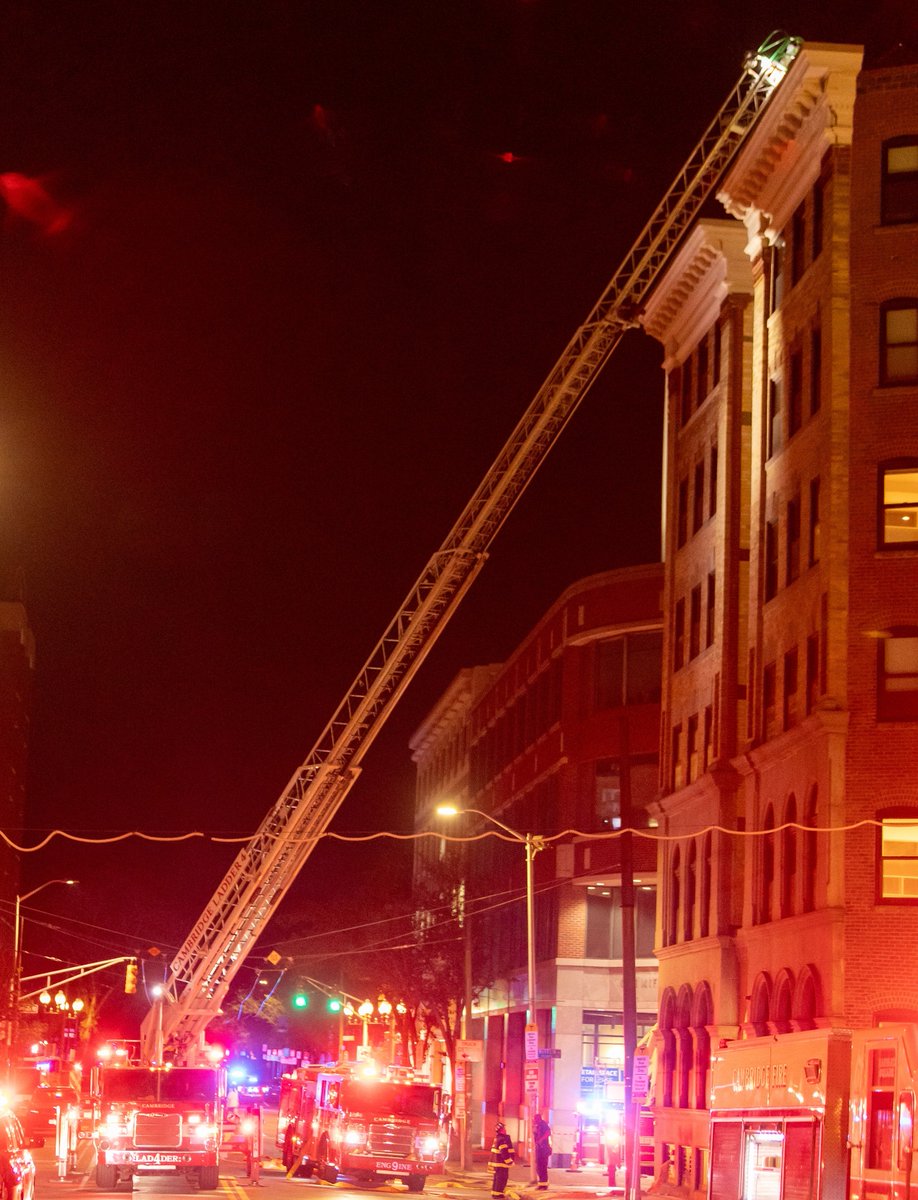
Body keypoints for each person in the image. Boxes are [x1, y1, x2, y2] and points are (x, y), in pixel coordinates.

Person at [489, 1120, 515, 1198]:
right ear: (501, 1130)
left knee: (497, 1178)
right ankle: (498, 1194)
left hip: (497, 1164)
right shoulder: (502, 1139)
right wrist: (509, 1161)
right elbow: (504, 1152)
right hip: (501, 1164)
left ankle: (495, 1193)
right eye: (504, 1128)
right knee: (502, 1179)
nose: (505, 1130)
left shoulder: (497, 1138)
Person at [534, 1113, 552, 1190]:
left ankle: (544, 1185)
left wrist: (541, 1140)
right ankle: (541, 1184)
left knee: (543, 1167)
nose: (534, 1120)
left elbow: (548, 1132)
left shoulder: (543, 1124)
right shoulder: (537, 1126)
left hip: (543, 1149)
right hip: (539, 1149)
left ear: (539, 1118)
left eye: (535, 1119)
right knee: (539, 1167)